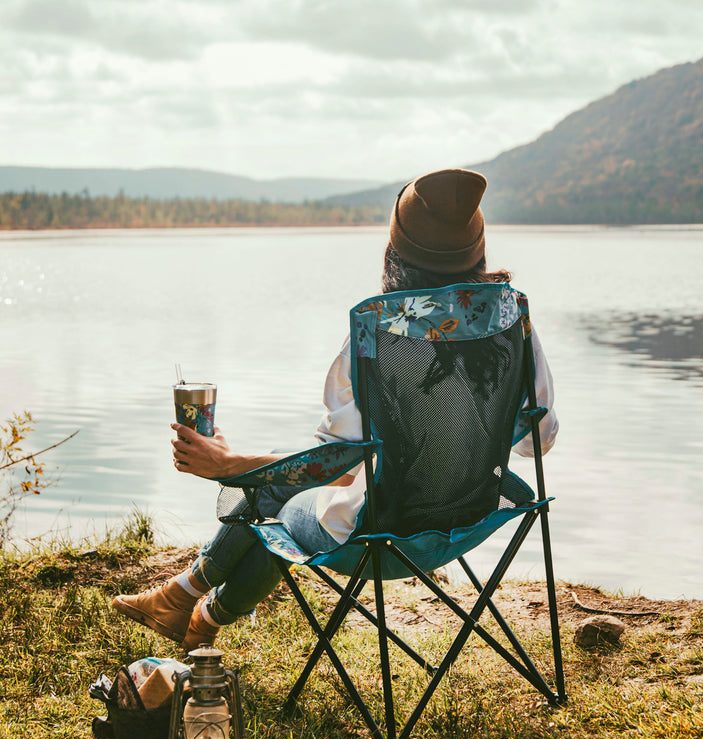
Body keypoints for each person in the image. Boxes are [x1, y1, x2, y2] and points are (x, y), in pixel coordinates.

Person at [112, 168, 558, 650]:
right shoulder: (513, 324)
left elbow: (337, 471)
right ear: (477, 250)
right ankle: (188, 605)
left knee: (274, 502)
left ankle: (194, 608)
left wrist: (228, 465)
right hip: (471, 520)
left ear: (396, 252)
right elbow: (540, 440)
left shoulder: (377, 336)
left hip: (380, 538)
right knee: (285, 475)